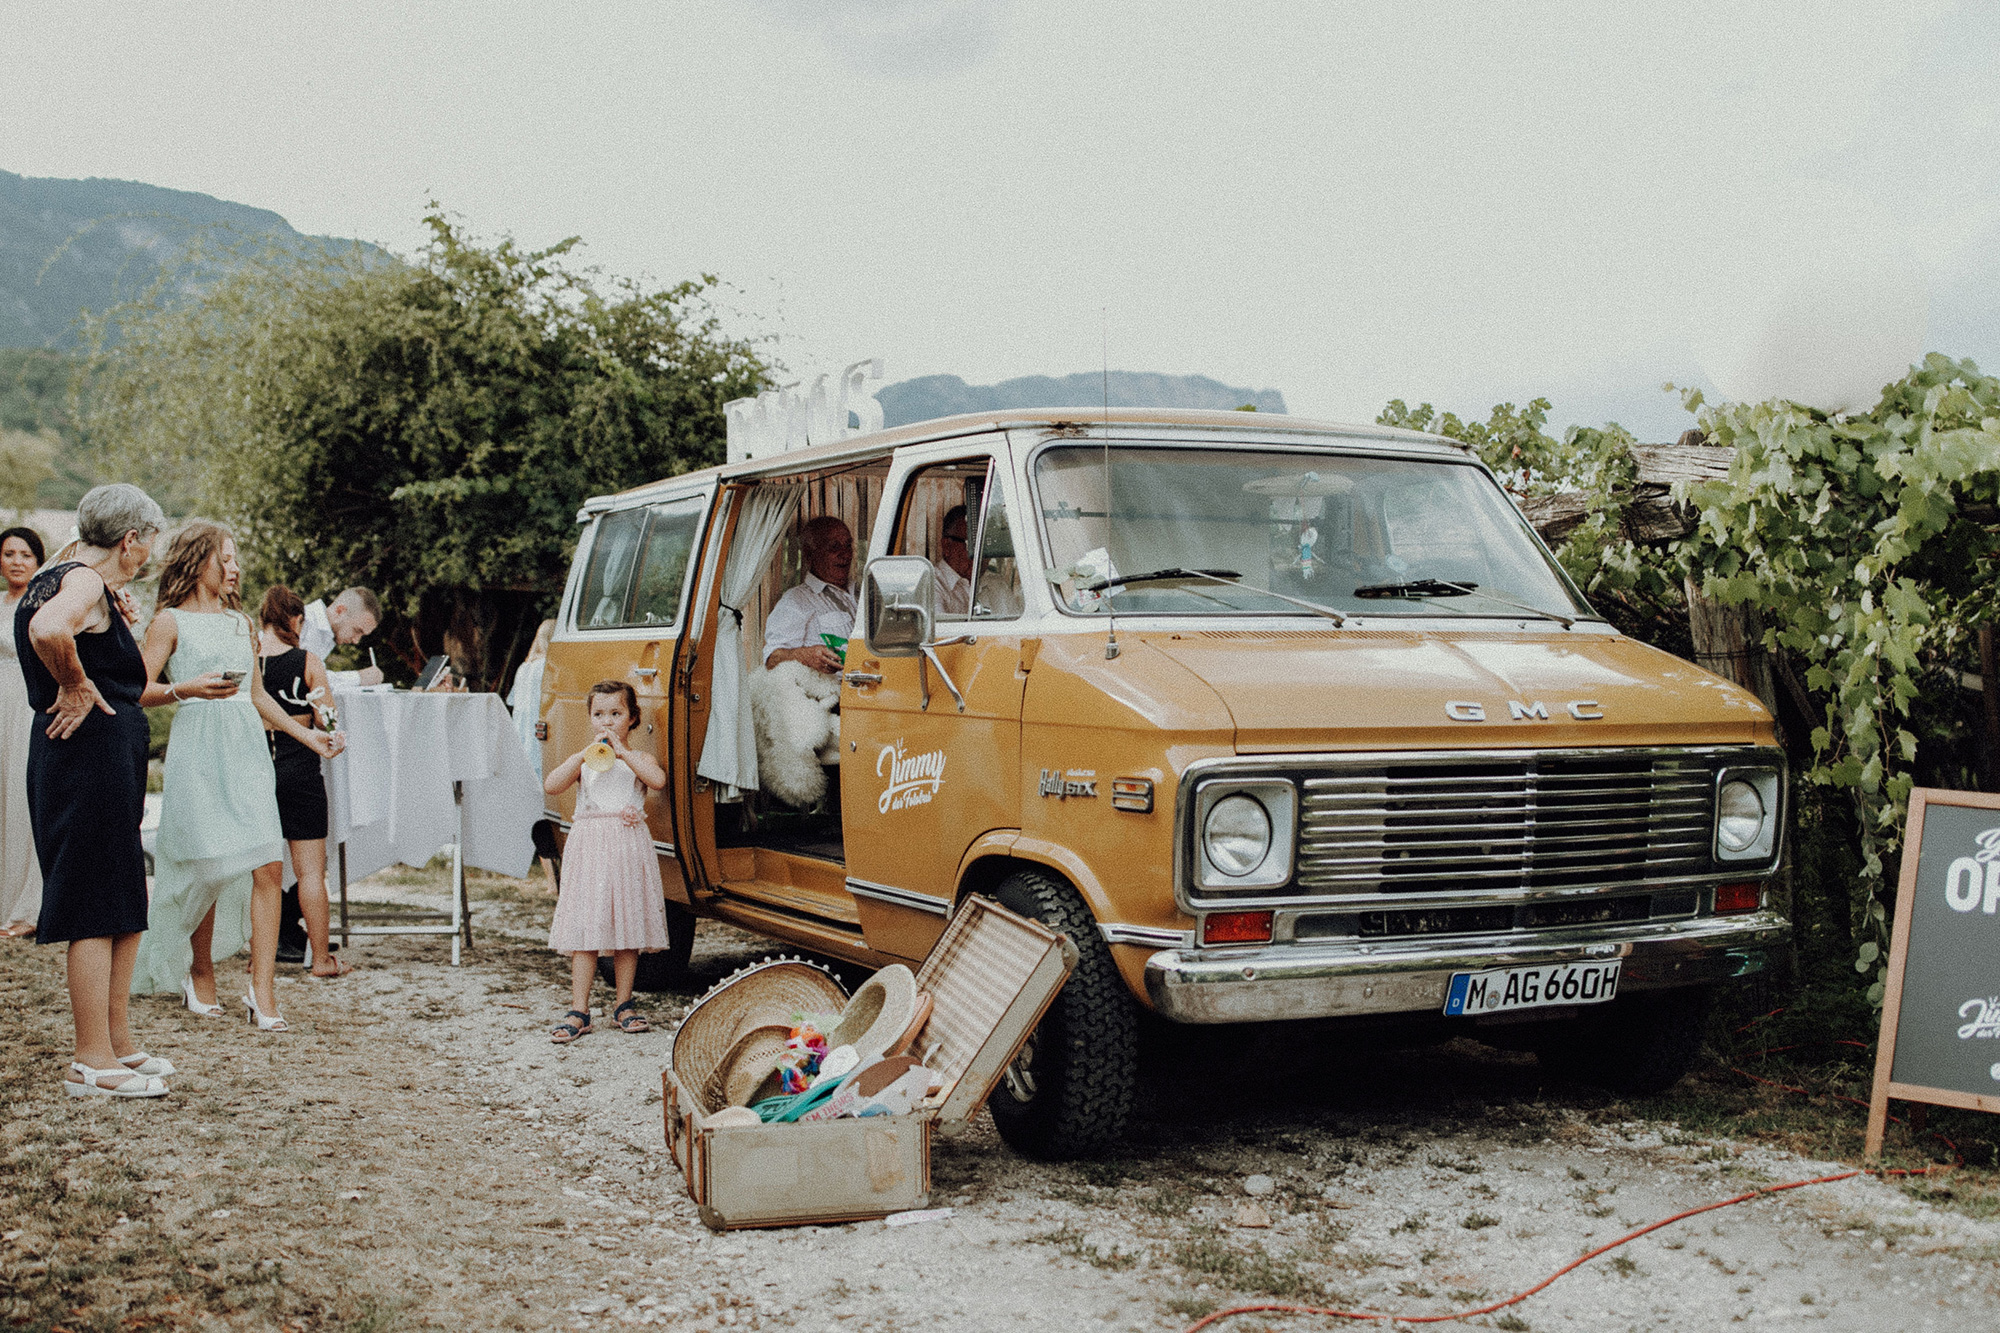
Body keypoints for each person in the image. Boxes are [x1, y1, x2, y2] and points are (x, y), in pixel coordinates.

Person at [129, 522, 339, 1031]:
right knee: (208, 865)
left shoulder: (241, 624)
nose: (236, 567)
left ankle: (261, 991)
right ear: (200, 559)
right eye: (226, 557)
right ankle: (200, 973)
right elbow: (136, 689)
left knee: (268, 866)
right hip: (199, 749)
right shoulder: (169, 622)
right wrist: (186, 689)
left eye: (236, 558)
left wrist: (310, 737)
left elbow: (259, 695)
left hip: (248, 750)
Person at [17, 484, 172, 1096]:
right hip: (85, 755)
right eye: (146, 545)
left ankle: (116, 1042)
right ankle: (90, 1058)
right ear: (130, 538)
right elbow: (51, 630)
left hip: (104, 755)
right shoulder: (78, 582)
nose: (147, 559)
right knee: (92, 897)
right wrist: (77, 685)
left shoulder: (67, 571)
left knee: (122, 894)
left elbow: (68, 581)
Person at [542, 680, 669, 1043]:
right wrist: (581, 757)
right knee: (586, 928)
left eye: (616, 714)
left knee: (626, 928)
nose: (607, 722)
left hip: (627, 848)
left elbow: (657, 780)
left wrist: (623, 752)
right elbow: (552, 785)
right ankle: (578, 1008)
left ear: (631, 719)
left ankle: (623, 1004)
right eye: (599, 715)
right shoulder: (585, 761)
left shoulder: (640, 759)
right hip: (590, 848)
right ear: (590, 719)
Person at [257, 584, 351, 978]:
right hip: (300, 770)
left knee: (262, 874)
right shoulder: (308, 661)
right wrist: (334, 733)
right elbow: (325, 721)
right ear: (295, 621)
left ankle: (257, 957)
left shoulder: (250, 662)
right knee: (311, 873)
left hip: (258, 767)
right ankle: (322, 960)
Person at [1, 526, 47, 939]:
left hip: (26, 705)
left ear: (37, 560)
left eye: (25, 554)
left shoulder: (44, 605)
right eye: (9, 553)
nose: (16, 561)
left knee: (21, 796)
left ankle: (28, 905)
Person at [763, 516, 854, 675]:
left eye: (848, 545)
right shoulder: (796, 601)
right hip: (833, 696)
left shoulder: (866, 592)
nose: (845, 554)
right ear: (809, 554)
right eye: (834, 547)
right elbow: (771, 659)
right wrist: (804, 656)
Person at [300, 587, 385, 688]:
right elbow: (304, 677)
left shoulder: (327, 633)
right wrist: (359, 677)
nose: (356, 641)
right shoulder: (306, 622)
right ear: (340, 611)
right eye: (357, 630)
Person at [508, 617, 555, 772]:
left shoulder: (524, 667)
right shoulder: (547, 668)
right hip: (540, 729)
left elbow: (513, 701)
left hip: (520, 730)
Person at [933, 505, 974, 617]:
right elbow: (944, 632)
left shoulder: (996, 584)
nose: (976, 553)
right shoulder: (933, 585)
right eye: (970, 545)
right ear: (946, 546)